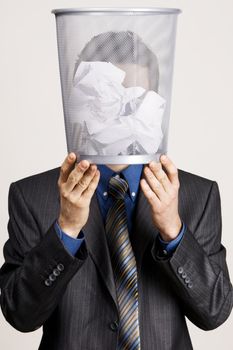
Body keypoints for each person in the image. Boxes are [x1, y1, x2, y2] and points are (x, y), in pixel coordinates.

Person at [0, 31, 233, 350]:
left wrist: (172, 230)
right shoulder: (32, 196)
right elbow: (20, 316)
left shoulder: (197, 194)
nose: (120, 115)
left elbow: (215, 312)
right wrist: (66, 228)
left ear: (156, 100)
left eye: (134, 99)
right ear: (79, 101)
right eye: (104, 98)